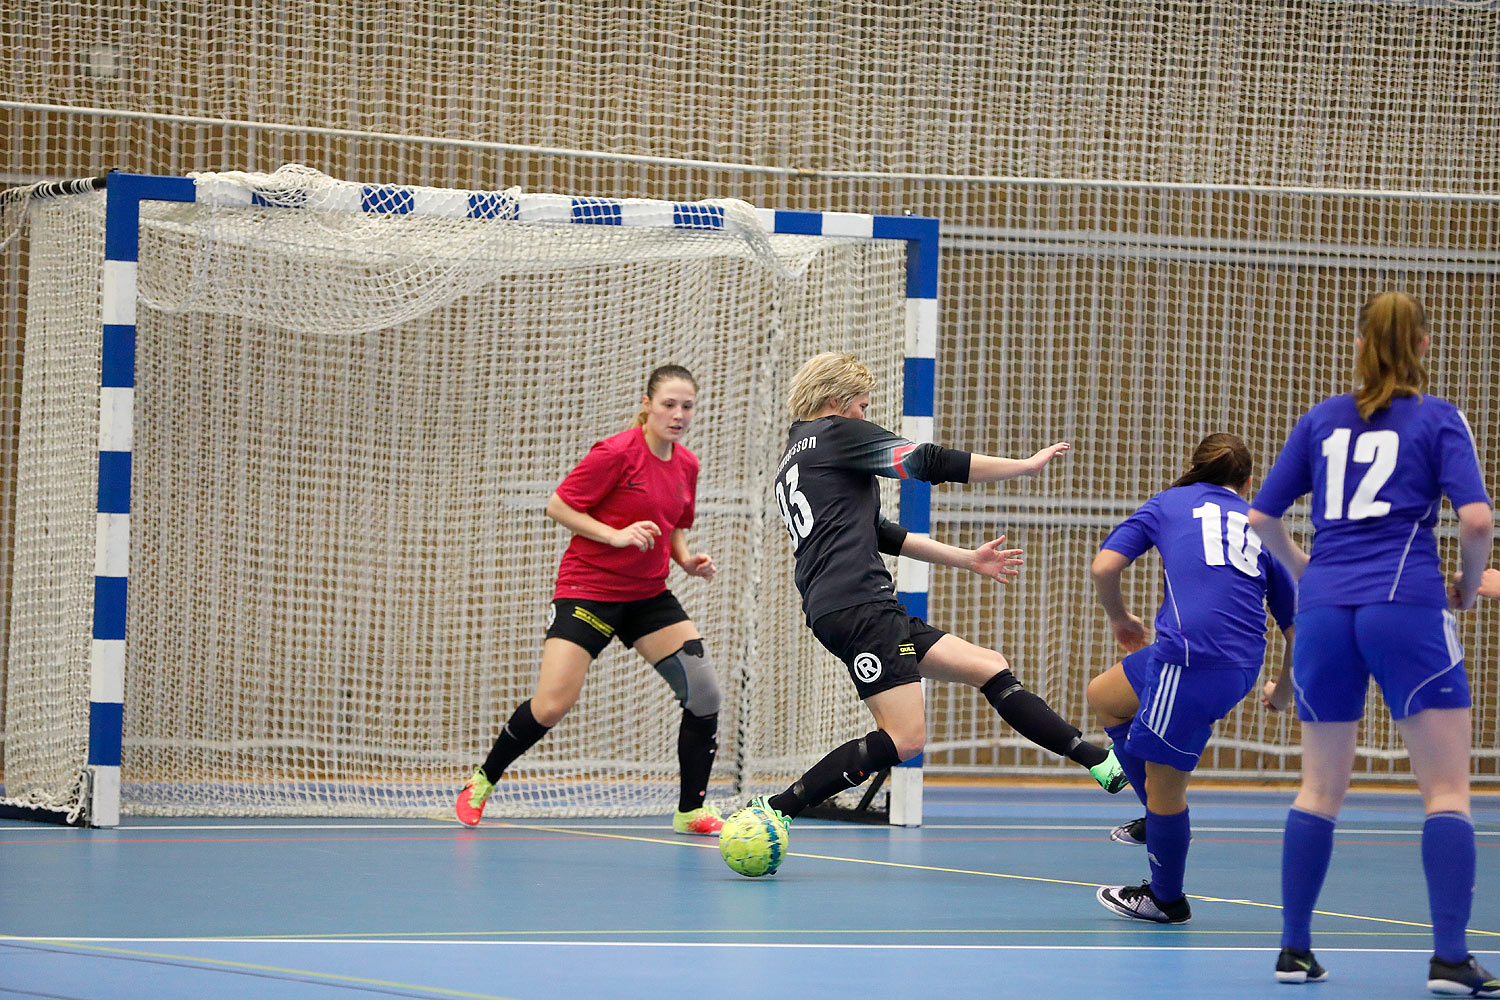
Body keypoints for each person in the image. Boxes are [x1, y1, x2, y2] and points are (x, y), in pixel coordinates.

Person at [722, 352, 1127, 869]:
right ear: (836, 402)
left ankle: (1097, 761)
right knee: (905, 736)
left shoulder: (795, 454)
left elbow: (881, 533)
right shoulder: (835, 433)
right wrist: (1023, 466)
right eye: (863, 405)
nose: (867, 416)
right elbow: (926, 462)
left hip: (861, 610)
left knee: (988, 665)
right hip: (861, 608)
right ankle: (777, 807)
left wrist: (967, 559)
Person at [1248, 292, 1495, 996]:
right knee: (1446, 790)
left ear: (1358, 346)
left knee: (1319, 787)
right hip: (1406, 604)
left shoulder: (1322, 419)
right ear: (1422, 346)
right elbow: (1475, 522)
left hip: (1324, 610)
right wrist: (1469, 586)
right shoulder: (1439, 419)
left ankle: (1294, 950)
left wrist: (1309, 572)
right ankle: (1450, 959)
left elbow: (1263, 516)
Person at [456, 364, 726, 836]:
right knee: (553, 704)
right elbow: (559, 504)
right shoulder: (616, 453)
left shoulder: (687, 464)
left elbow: (676, 525)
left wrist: (686, 560)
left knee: (704, 692)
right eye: (669, 404)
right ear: (647, 406)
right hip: (589, 591)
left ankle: (690, 810)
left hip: (648, 596)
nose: (678, 414)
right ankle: (482, 781)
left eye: (687, 406)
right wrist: (616, 536)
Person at [1086, 433, 1296, 924]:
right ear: (1247, 482)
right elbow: (1297, 626)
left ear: (1195, 469)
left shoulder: (1170, 502)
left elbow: (1103, 567)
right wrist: (1283, 693)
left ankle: (1166, 898)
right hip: (1235, 664)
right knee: (1107, 696)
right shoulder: (1260, 523)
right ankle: (1157, 818)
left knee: (1167, 790)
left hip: (1190, 663)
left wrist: (1120, 619)